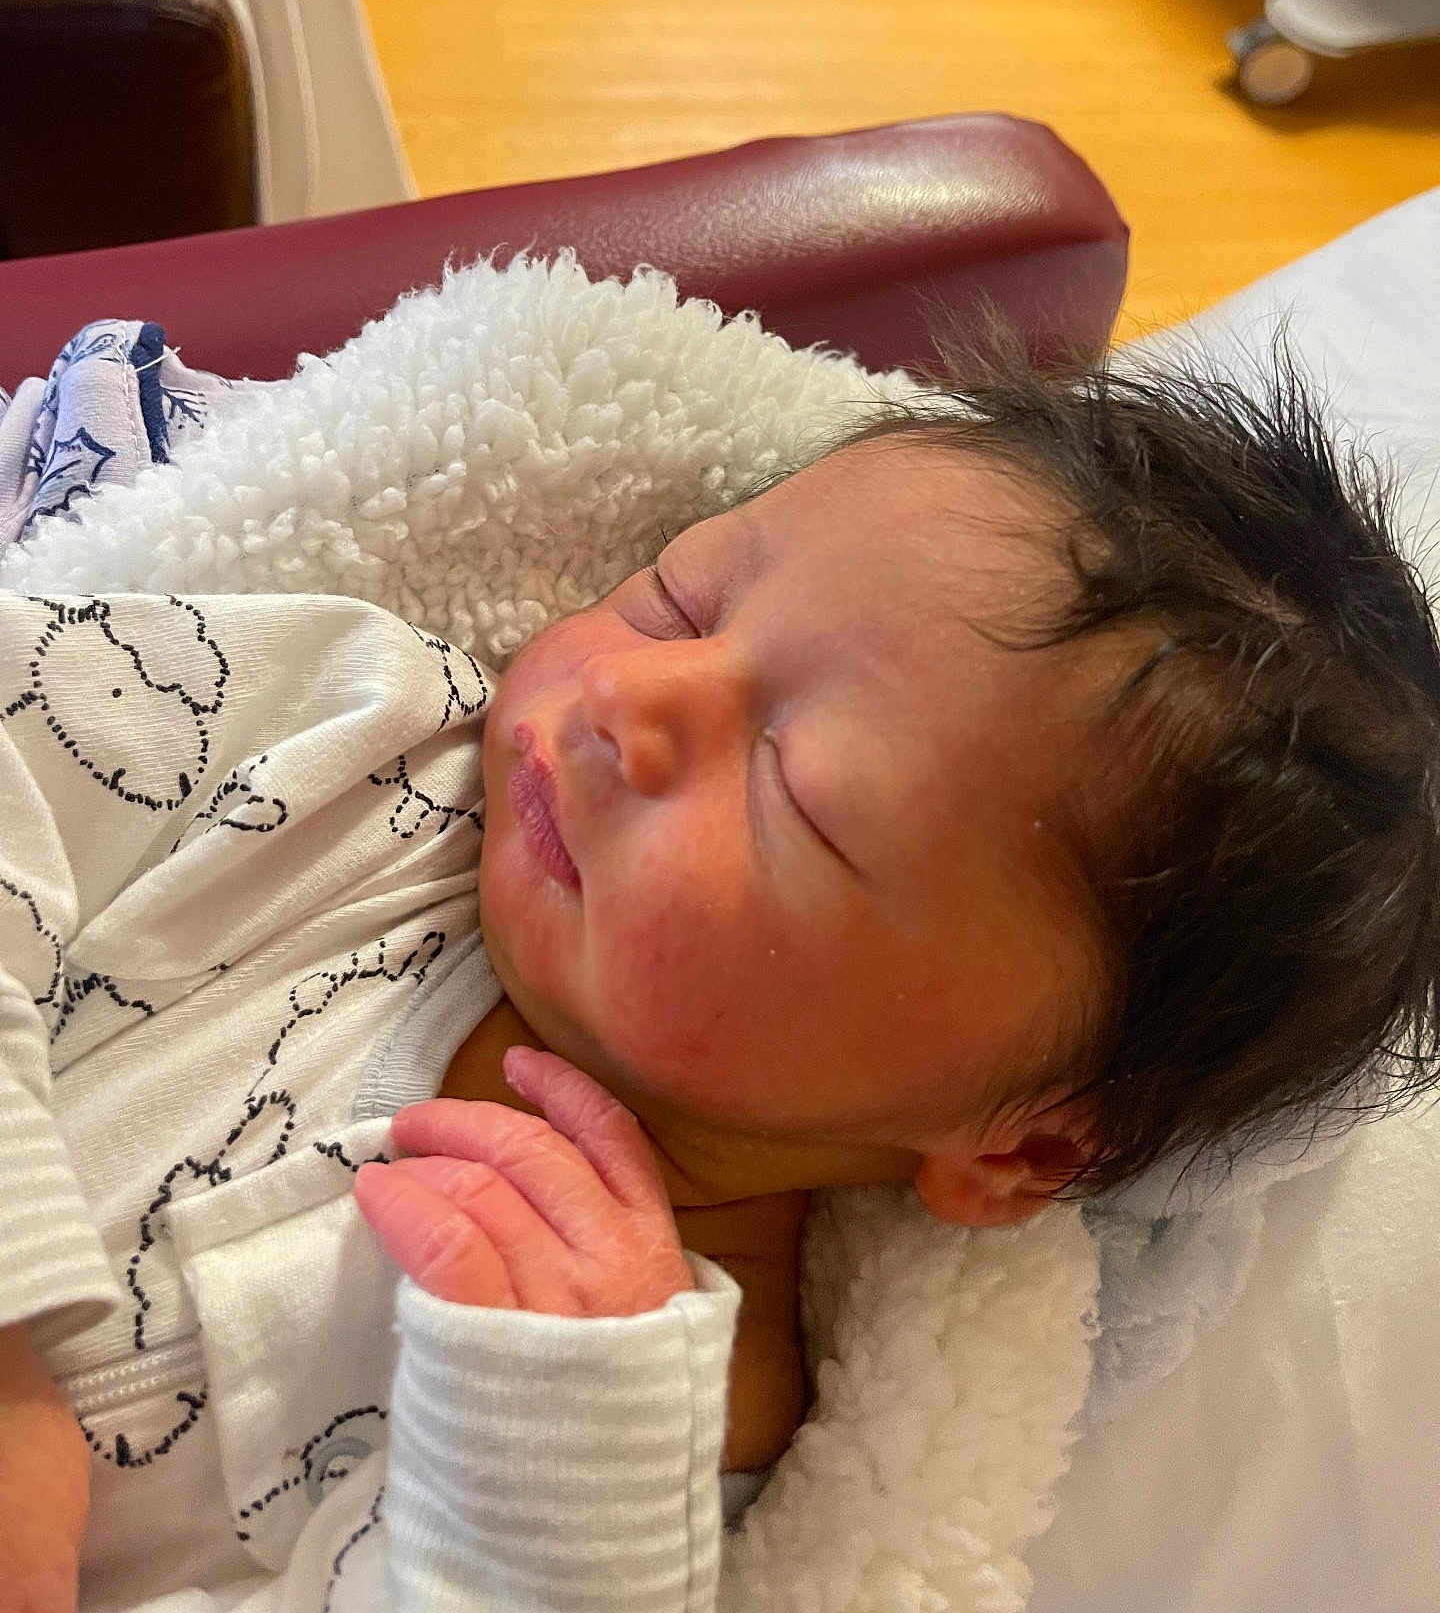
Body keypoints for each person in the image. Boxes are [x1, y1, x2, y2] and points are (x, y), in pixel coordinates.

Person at [2, 337, 1438, 1613]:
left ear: (1027, 1145)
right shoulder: (346, 744)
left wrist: (544, 1518)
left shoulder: (635, 1419)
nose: (630, 699)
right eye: (682, 602)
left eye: (796, 797)